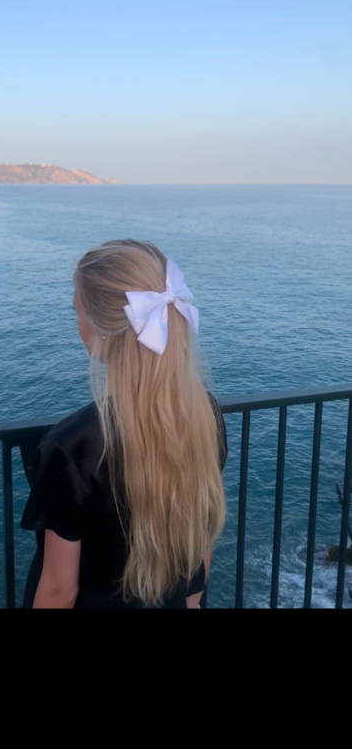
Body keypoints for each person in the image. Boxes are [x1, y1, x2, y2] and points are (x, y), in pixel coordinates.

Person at [20, 238, 227, 608]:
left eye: (78, 311)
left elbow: (59, 591)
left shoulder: (73, 445)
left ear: (102, 327)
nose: (78, 325)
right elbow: (201, 541)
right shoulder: (205, 416)